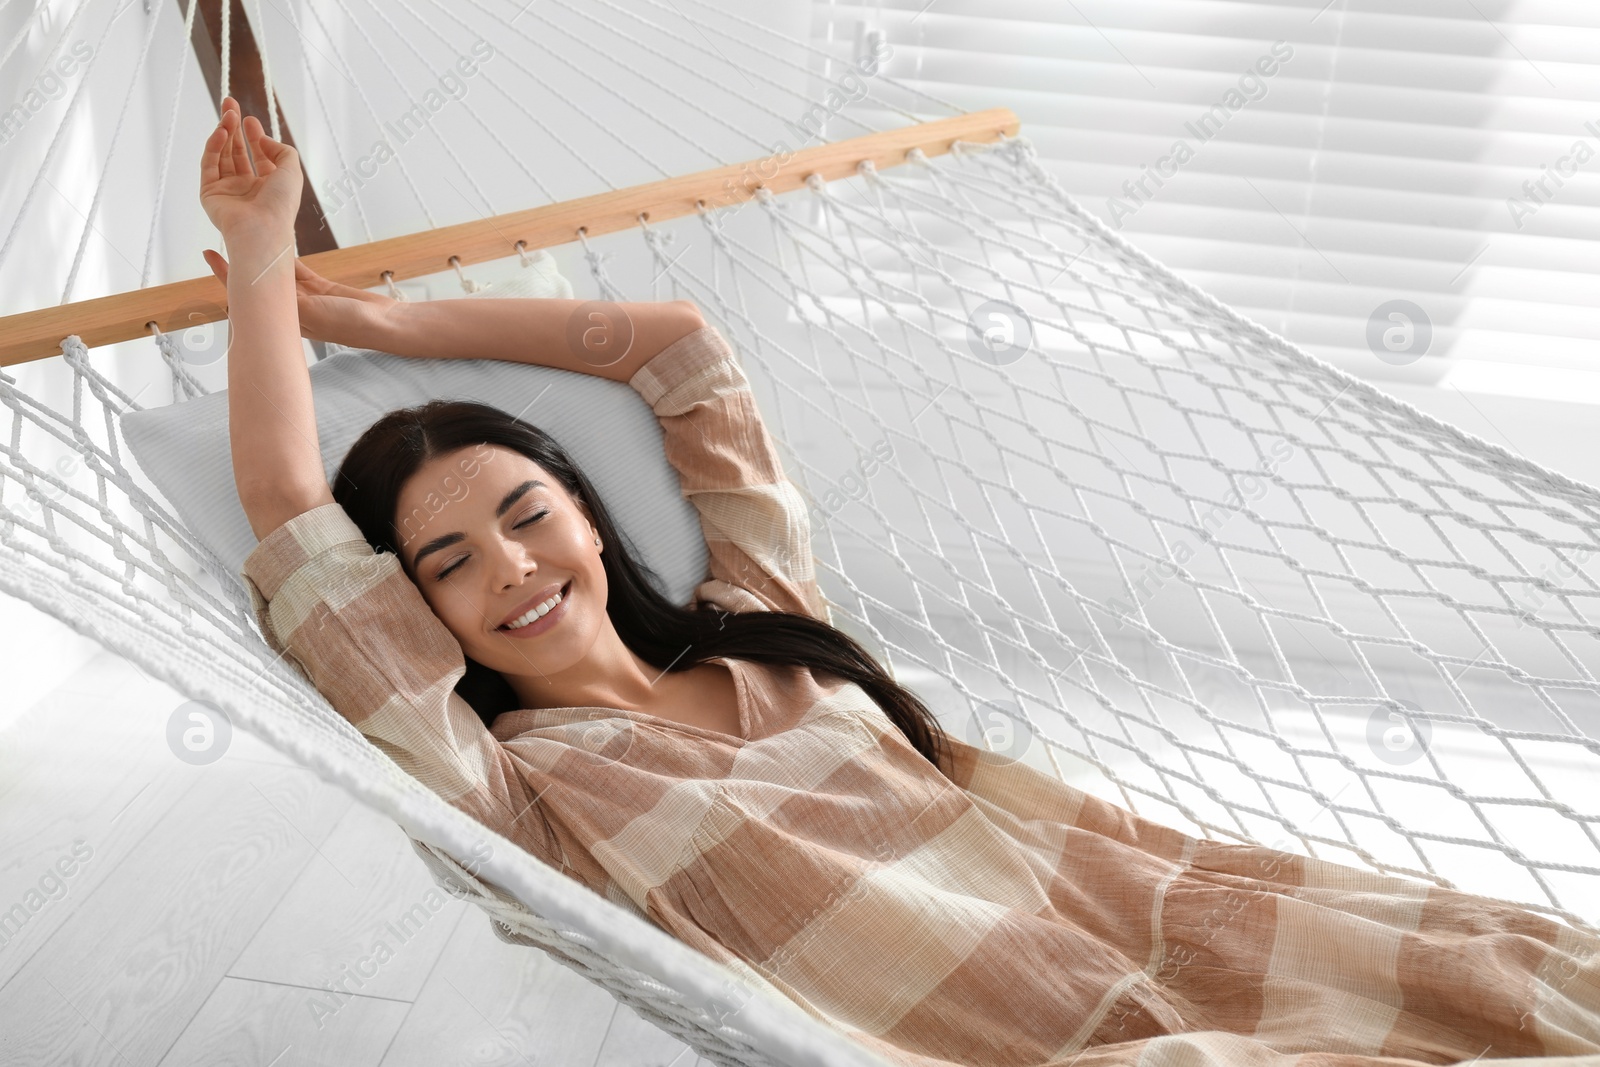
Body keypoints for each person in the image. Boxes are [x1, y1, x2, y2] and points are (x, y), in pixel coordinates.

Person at [200, 96, 1600, 1067]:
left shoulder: (758, 619)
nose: (510, 568)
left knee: (1520, 973)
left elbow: (677, 352)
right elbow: (285, 503)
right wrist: (261, 265)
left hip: (1177, 914)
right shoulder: (524, 795)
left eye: (527, 514)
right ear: (417, 613)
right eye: (447, 562)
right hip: (1036, 1047)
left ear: (585, 516)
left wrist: (388, 323)